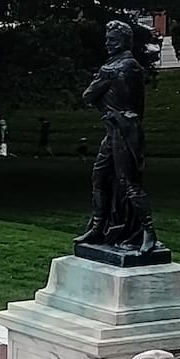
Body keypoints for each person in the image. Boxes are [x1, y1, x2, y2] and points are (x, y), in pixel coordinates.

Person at [74, 21, 158, 256]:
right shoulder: (117, 66)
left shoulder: (123, 67)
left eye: (112, 39)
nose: (107, 43)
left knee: (129, 183)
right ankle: (99, 226)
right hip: (113, 130)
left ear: (123, 41)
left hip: (124, 131)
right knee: (99, 177)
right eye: (107, 38)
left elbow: (89, 95)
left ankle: (148, 232)